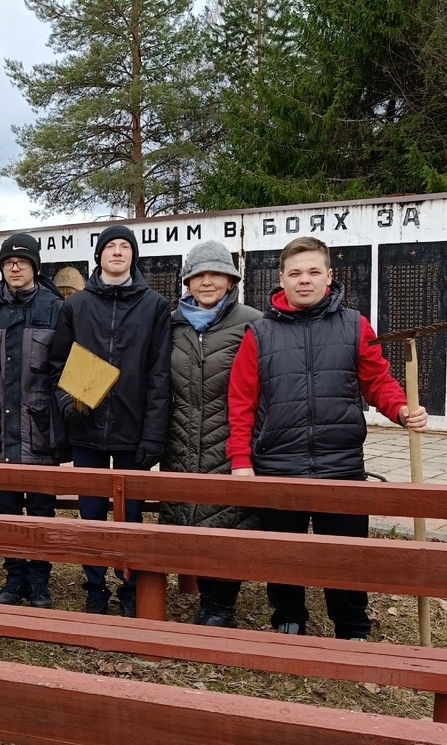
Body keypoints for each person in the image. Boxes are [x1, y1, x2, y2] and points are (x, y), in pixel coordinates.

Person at [227, 235, 428, 640]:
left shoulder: (355, 325)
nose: (305, 280)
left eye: (314, 271)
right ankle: (288, 616)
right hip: (278, 466)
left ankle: (352, 625)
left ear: (329, 276)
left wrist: (402, 409)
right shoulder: (259, 334)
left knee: (347, 555)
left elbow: (377, 381)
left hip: (341, 465)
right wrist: (241, 460)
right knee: (284, 552)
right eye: (296, 273)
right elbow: (241, 400)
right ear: (281, 278)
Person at [49, 225, 171, 617]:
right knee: (91, 512)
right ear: (99, 256)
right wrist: (69, 404)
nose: (117, 253)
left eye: (124, 247)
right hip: (87, 429)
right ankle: (95, 585)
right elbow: (58, 364)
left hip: (133, 430)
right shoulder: (77, 306)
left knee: (131, 515)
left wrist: (153, 433)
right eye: (110, 247)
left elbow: (159, 373)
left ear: (133, 256)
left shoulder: (154, 306)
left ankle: (131, 584)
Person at [158, 240, 262, 628]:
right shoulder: (173, 323)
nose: (206, 282)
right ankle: (200, 592)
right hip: (181, 435)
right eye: (198, 275)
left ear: (230, 280)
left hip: (230, 437)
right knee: (185, 514)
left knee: (228, 520)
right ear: (187, 281)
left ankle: (221, 605)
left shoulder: (253, 322)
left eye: (215, 274)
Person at [0, 233, 66, 608]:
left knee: (41, 510)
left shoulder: (56, 309)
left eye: (22, 261)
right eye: (9, 262)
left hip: (41, 430)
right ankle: (13, 578)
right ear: (2, 268)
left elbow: (66, 372)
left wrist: (65, 429)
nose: (15, 267)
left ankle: (39, 582)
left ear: (35, 266)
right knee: (7, 510)